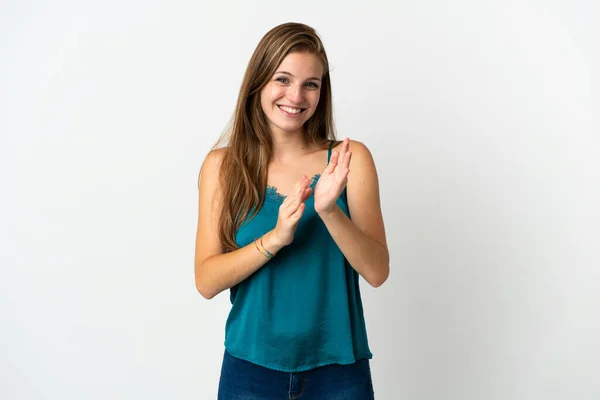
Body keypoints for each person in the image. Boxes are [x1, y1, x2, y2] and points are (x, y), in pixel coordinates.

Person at [194, 22, 389, 400]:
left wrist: (330, 211)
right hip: (249, 372)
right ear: (259, 83)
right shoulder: (223, 166)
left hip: (338, 374)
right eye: (283, 79)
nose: (296, 96)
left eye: (310, 84)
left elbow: (378, 271)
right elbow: (206, 280)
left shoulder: (350, 160)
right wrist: (275, 239)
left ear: (321, 92)